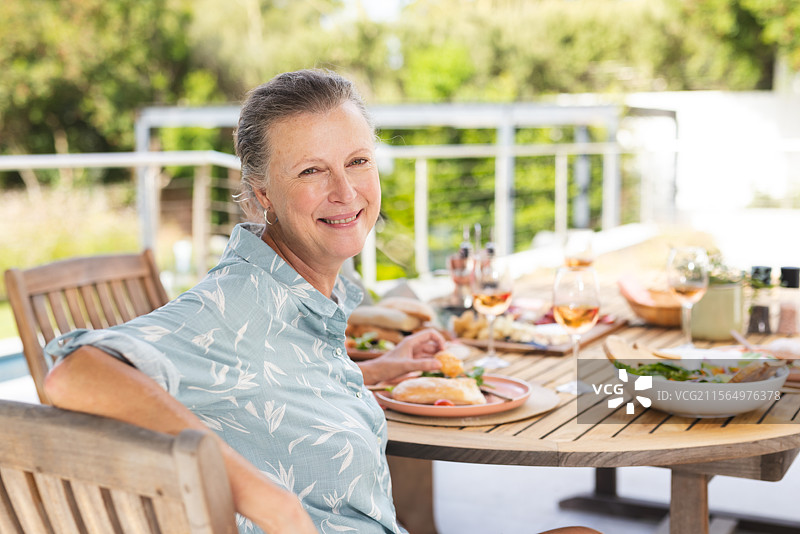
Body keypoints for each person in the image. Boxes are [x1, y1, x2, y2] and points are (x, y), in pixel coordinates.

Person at [44, 69, 601, 534]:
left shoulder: (302, 300)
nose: (345, 191)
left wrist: (377, 370)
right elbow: (73, 374)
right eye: (312, 170)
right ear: (263, 194)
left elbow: (260, 385)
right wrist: (271, 503)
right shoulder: (238, 301)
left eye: (357, 161)